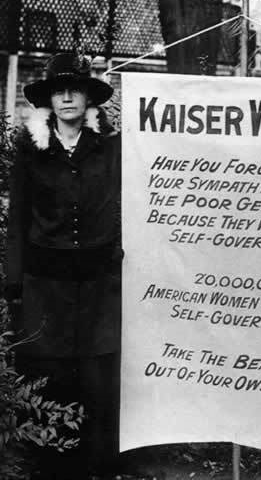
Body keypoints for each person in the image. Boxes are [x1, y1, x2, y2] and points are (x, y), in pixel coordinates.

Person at [5, 53, 122, 480]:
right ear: (49, 101)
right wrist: (14, 284)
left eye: (75, 89)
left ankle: (100, 464)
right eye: (59, 90)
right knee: (49, 369)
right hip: (45, 282)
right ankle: (51, 465)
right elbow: (17, 217)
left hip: (98, 281)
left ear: (89, 98)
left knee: (98, 372)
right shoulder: (31, 148)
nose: (67, 97)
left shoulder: (109, 146)